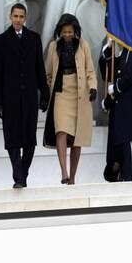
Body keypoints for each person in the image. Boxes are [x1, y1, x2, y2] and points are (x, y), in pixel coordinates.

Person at [0, 3, 49, 188]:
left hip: (30, 98)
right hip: (10, 100)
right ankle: (18, 176)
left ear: (25, 18)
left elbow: (40, 69)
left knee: (30, 140)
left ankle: (23, 173)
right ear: (10, 17)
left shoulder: (34, 39)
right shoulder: (0, 41)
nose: (18, 20)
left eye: (21, 16)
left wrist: (44, 95)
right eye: (15, 16)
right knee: (13, 139)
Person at [43, 14, 97, 184]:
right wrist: (46, 94)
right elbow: (49, 74)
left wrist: (93, 87)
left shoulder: (83, 45)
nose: (67, 34)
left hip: (79, 93)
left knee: (77, 139)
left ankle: (73, 177)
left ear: (75, 32)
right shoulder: (53, 46)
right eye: (64, 32)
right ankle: (64, 173)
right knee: (61, 131)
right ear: (60, 31)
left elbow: (90, 70)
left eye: (70, 32)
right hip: (60, 92)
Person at [99, 41, 132, 182]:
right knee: (118, 142)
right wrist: (107, 51)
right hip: (118, 105)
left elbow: (129, 76)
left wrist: (116, 87)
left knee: (128, 139)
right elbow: (107, 72)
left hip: (128, 103)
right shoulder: (120, 53)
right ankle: (121, 177)